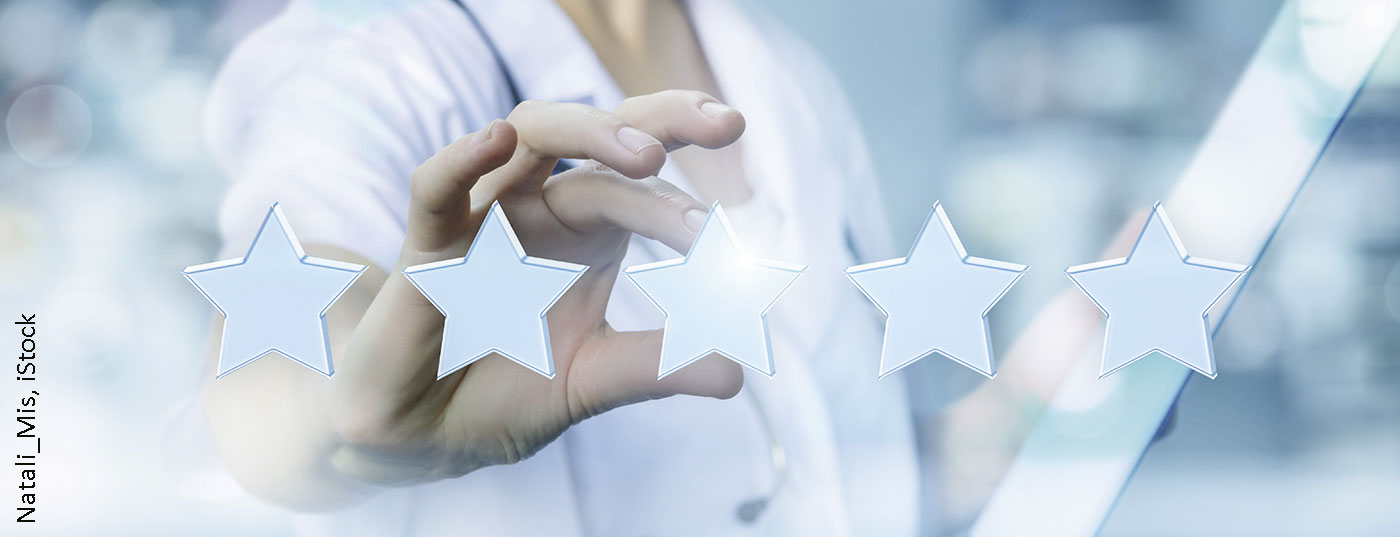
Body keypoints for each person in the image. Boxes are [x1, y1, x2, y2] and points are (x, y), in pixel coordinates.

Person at [192, 0, 1141, 535]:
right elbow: (276, 375)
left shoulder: (777, 72)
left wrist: (1007, 423)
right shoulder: (374, 58)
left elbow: (829, 470)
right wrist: (344, 418)